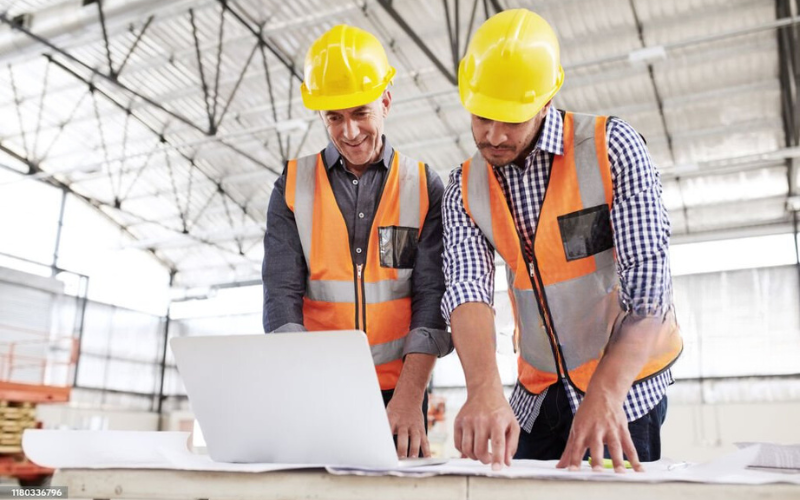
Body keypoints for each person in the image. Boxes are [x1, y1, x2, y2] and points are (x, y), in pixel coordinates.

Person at [441, 9, 682, 472]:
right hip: (538, 395)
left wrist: (607, 393)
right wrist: (483, 388)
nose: (492, 136)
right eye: (481, 116)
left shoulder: (611, 149)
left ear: (546, 101)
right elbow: (467, 289)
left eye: (510, 119)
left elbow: (649, 290)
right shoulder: (464, 186)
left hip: (624, 391)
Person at [262, 24, 451, 459]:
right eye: (334, 117)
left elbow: (431, 298)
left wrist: (409, 396)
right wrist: (305, 388)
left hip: (400, 393)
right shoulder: (291, 186)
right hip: (318, 388)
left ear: (386, 101)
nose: (348, 132)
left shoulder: (423, 186)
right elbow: (281, 298)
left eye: (360, 113)